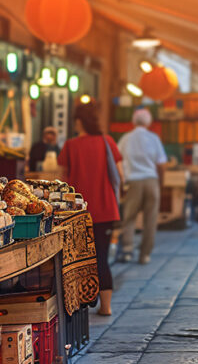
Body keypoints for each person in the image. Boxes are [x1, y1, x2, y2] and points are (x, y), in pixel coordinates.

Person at [58, 101, 123, 316]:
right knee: (102, 257)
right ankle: (106, 307)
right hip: (105, 209)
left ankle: (79, 305)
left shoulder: (71, 145)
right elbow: (120, 175)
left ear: (78, 121)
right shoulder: (108, 142)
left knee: (79, 261)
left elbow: (61, 179)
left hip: (78, 213)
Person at [117, 109, 167, 265]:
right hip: (151, 180)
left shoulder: (126, 139)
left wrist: (120, 182)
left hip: (133, 181)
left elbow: (117, 160)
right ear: (148, 122)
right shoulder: (153, 138)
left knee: (129, 217)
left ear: (134, 121)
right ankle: (145, 255)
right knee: (150, 219)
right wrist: (161, 182)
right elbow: (161, 164)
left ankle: (127, 249)